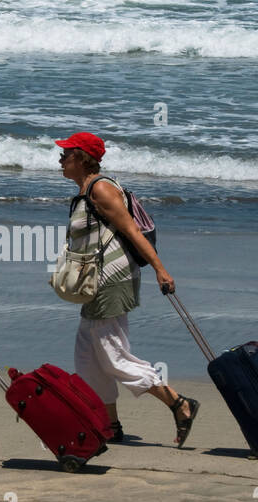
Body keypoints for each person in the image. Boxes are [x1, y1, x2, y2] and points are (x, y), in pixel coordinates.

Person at [55, 131, 199, 446]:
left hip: (111, 280)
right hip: (95, 282)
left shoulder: (101, 189)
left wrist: (161, 270)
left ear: (82, 158)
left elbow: (133, 232)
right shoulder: (84, 191)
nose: (60, 158)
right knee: (88, 357)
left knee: (112, 356)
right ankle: (111, 426)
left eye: (66, 153)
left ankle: (179, 403)